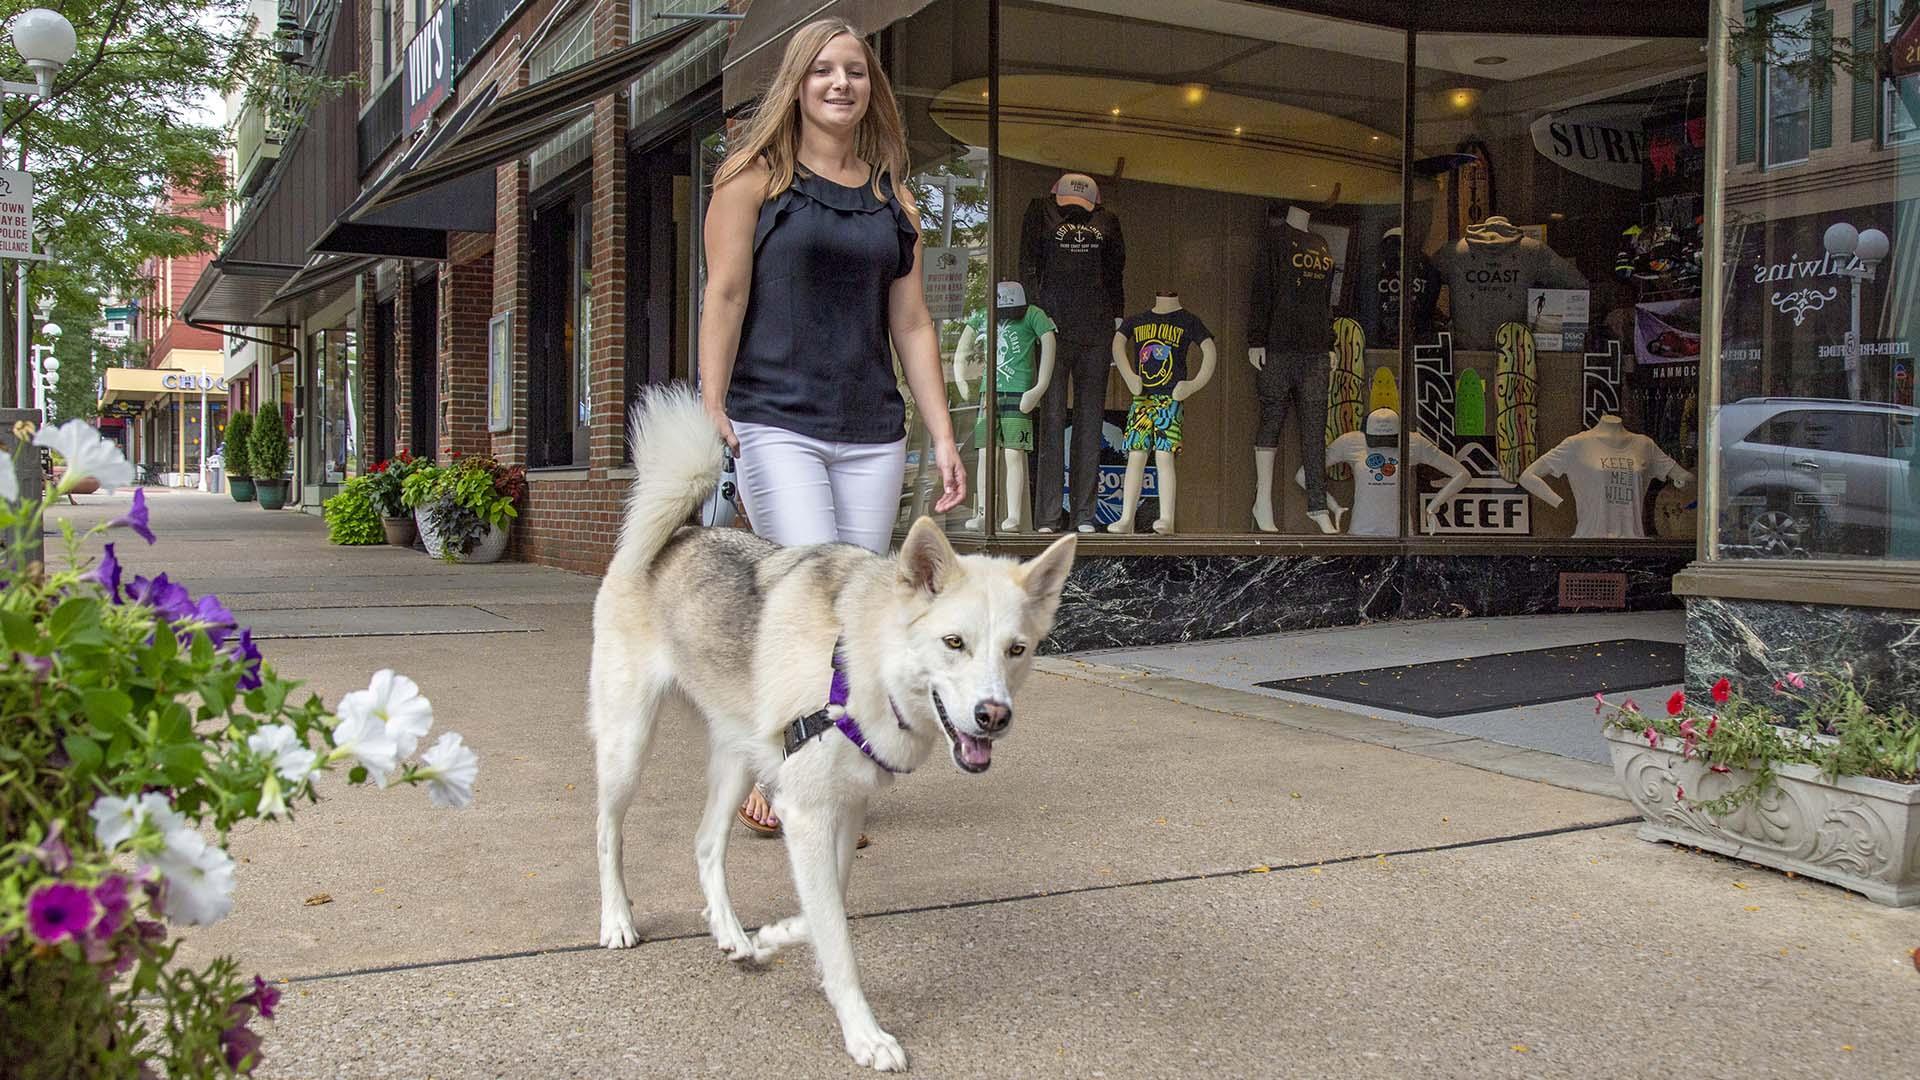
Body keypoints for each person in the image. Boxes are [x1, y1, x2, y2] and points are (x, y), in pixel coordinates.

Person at [698, 18, 967, 838]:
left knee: (863, 614)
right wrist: (712, 401)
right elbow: (726, 296)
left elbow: (914, 324)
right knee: (811, 605)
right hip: (776, 421)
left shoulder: (894, 198)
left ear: (870, 89)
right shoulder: (752, 180)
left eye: (854, 70)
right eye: (823, 70)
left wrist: (943, 435)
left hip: (870, 430)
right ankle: (782, 772)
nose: (840, 83)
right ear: (798, 82)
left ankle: (828, 770)